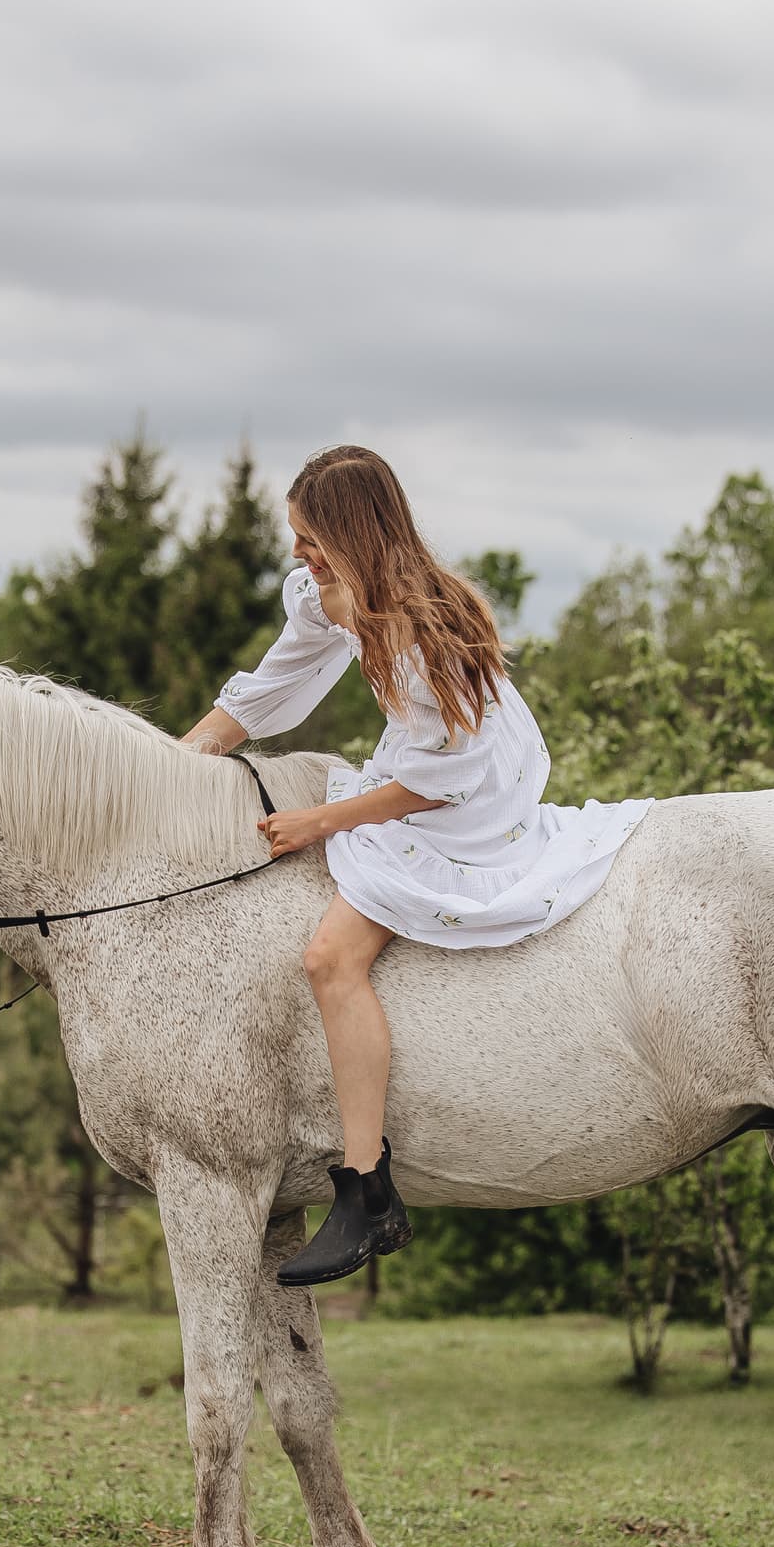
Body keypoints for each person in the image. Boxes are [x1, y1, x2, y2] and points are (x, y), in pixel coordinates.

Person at [182, 446, 652, 1286]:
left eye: (310, 537)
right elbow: (268, 691)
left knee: (330, 958)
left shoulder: (427, 627)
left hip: (468, 789)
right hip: (422, 759)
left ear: (353, 533)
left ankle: (368, 1190)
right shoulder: (328, 596)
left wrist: (321, 821)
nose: (297, 552)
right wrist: (173, 766)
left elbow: (442, 781)